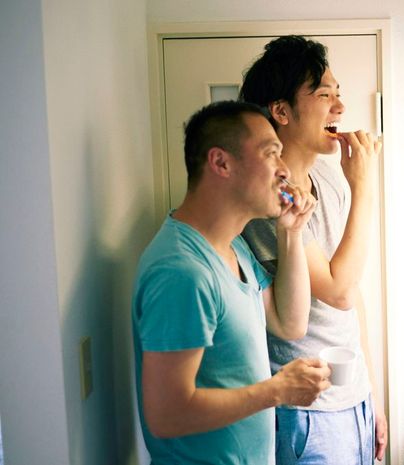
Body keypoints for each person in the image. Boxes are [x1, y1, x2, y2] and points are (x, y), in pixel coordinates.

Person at [132, 100, 331, 464]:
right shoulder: (182, 271)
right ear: (221, 162)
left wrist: (291, 233)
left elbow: (290, 322)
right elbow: (167, 415)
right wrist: (277, 391)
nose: (285, 171)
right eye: (272, 154)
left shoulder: (232, 246)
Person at [239, 35, 388, 464]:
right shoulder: (271, 201)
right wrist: (365, 186)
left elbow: (352, 294)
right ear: (281, 111)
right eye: (324, 95)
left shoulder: (326, 178)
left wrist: (371, 392)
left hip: (353, 398)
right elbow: (337, 290)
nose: (340, 107)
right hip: (308, 413)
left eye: (339, 94)